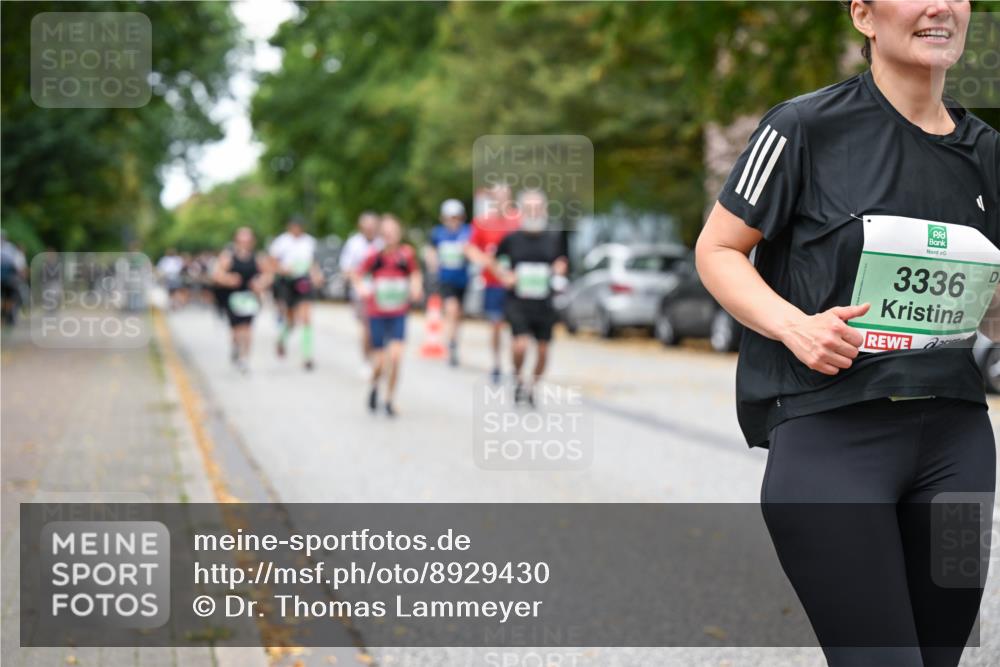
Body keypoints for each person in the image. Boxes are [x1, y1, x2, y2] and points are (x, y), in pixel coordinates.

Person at [695, 2, 999, 665]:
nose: (940, 6)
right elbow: (717, 250)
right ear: (864, 15)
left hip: (958, 447)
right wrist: (796, 327)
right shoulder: (803, 127)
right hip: (833, 441)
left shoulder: (989, 154)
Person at [492, 189, 568, 407]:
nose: (533, 212)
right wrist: (505, 276)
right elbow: (497, 262)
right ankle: (517, 378)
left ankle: (532, 387)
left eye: (537, 208)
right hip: (518, 301)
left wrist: (560, 269)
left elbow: (562, 263)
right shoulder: (511, 239)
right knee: (520, 346)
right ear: (522, 211)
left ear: (544, 210)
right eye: (529, 209)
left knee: (543, 351)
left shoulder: (554, 238)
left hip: (544, 302)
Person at [351, 214, 423, 417]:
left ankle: (389, 399)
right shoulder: (374, 256)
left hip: (398, 313)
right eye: (386, 232)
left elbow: (415, 273)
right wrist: (362, 289)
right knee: (381, 362)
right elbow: (357, 275)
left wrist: (416, 287)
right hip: (377, 313)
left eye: (393, 231)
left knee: (396, 357)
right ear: (381, 234)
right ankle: (375, 385)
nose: (390, 235)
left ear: (399, 234)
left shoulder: (406, 254)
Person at [468, 183, 521, 382]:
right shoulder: (482, 222)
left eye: (504, 196)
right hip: (493, 283)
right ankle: (497, 363)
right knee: (496, 324)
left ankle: (517, 365)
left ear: (509, 198)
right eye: (496, 197)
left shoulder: (518, 220)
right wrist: (485, 261)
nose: (500, 200)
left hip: (515, 283)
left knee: (518, 327)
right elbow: (471, 248)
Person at [268, 216, 323, 371]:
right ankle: (282, 338)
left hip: (304, 281)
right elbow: (272, 262)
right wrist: (282, 269)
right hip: (287, 281)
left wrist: (316, 275)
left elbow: (313, 263)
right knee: (291, 319)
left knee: (306, 318)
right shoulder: (281, 242)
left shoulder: (309, 242)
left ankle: (307, 356)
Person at [212, 227, 270, 374]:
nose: (245, 243)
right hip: (232, 299)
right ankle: (236, 347)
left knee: (248, 329)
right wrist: (229, 279)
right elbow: (216, 274)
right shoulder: (228, 256)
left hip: (250, 298)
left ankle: (244, 359)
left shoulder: (257, 258)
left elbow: (268, 275)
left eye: (248, 240)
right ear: (236, 241)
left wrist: (260, 283)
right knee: (236, 331)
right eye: (242, 240)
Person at [425, 199, 472, 367]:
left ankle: (454, 340)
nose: (453, 221)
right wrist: (433, 263)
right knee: (451, 309)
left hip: (463, 279)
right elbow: (431, 251)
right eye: (450, 217)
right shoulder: (438, 233)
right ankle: (450, 343)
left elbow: (474, 250)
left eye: (456, 217)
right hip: (446, 280)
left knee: (458, 314)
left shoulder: (468, 232)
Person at [339, 211, 384, 376]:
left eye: (373, 224)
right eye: (367, 225)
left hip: (382, 294)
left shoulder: (383, 243)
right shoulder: (354, 243)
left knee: (379, 328)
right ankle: (367, 360)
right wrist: (359, 283)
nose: (370, 228)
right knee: (367, 328)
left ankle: (379, 358)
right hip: (361, 294)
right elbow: (346, 268)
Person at [0, 231, 26, 326]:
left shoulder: (9, 248)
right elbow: (16, 264)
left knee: (6, 298)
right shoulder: (10, 248)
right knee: (10, 297)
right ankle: (7, 316)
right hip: (10, 278)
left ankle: (5, 316)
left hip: (6, 279)